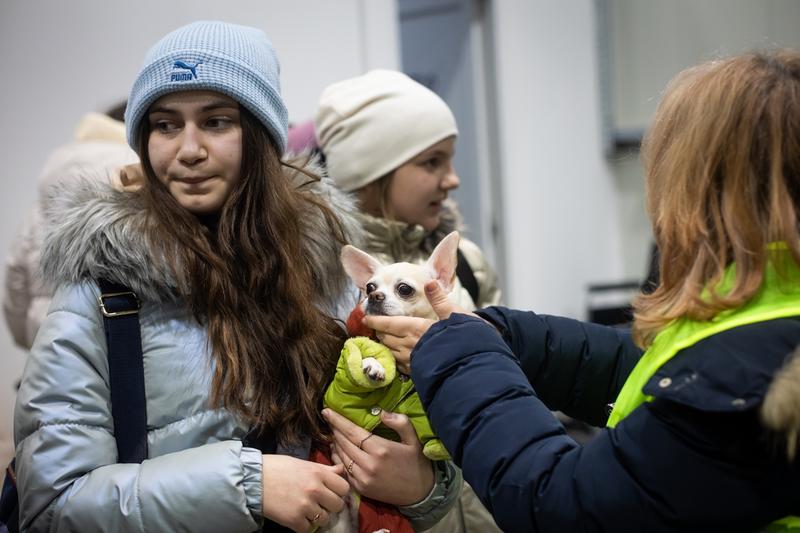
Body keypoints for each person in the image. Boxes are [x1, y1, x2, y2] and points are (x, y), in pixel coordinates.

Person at [13, 21, 459, 533]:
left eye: (217, 121)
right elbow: (51, 506)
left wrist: (422, 486)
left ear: (262, 136)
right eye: (164, 125)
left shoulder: (325, 272)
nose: (188, 149)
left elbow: (414, 447)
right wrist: (247, 483)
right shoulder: (98, 288)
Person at [363, 50, 800, 532]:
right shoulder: (758, 309)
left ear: (704, 193)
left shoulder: (754, 381)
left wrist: (462, 356)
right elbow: (645, 369)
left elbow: (560, 505)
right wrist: (502, 335)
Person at [314, 69, 502, 532]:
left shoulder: (467, 269)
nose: (452, 179)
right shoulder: (316, 283)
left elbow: (502, 404)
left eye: (450, 160)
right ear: (373, 171)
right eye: (432, 162)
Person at [3, 109, 137, 352]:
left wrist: (35, 338)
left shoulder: (45, 196)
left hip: (49, 345)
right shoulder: (139, 180)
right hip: (123, 355)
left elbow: (16, 287)